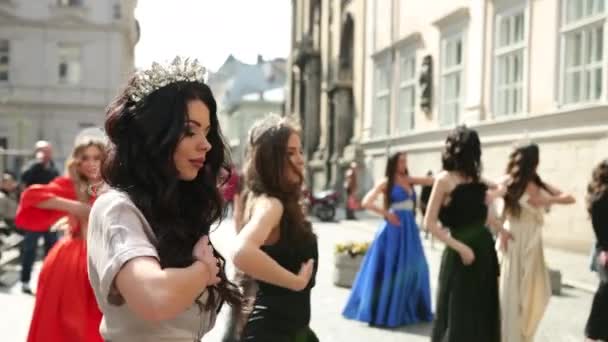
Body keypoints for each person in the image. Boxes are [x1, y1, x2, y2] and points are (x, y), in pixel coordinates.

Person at [87, 57, 242, 341]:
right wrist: (203, 271)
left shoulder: (177, 213)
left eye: (207, 132)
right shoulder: (117, 207)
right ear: (154, 136)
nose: (206, 144)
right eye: (189, 131)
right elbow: (153, 297)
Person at [229, 114, 318, 341]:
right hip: (273, 332)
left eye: (299, 151)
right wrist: (295, 282)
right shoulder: (272, 203)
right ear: (271, 160)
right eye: (290, 153)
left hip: (291, 329)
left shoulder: (277, 201)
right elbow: (241, 252)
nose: (300, 159)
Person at [17, 132, 106, 342]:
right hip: (71, 263)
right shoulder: (69, 186)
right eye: (85, 158)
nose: (91, 163)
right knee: (65, 326)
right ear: (76, 162)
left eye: (97, 157)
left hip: (105, 260)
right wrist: (75, 206)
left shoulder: (116, 187)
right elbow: (31, 197)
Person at [423, 125, 508, 342]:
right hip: (460, 254)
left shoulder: (476, 180)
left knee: (482, 313)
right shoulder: (444, 180)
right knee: (458, 315)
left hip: (484, 252)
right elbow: (429, 223)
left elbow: (501, 191)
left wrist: (502, 227)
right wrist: (460, 248)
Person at [343, 151, 434, 327]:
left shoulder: (408, 179)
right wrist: (386, 214)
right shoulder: (386, 181)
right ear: (393, 163)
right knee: (392, 269)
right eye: (400, 161)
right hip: (394, 228)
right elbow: (366, 202)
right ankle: (387, 312)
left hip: (410, 230)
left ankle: (412, 308)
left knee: (417, 267)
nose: (403, 163)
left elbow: (431, 181)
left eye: (405, 160)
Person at [498, 142, 575, 342]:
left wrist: (546, 200)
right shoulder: (509, 182)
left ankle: (523, 336)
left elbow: (570, 198)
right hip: (513, 239)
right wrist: (500, 231)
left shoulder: (540, 184)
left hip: (532, 241)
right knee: (511, 292)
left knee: (533, 292)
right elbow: (488, 200)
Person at [17, 140, 60, 294]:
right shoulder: (31, 167)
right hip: (34, 218)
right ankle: (25, 281)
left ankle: (48, 281)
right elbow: (23, 179)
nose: (45, 154)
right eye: (42, 150)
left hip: (50, 218)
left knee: (51, 251)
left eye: (47, 150)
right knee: (29, 250)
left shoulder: (53, 169)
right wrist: (37, 163)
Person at [584, 159, 608, 342]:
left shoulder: (599, 198)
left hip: (603, 250)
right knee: (604, 293)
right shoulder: (601, 199)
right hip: (605, 250)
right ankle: (592, 334)